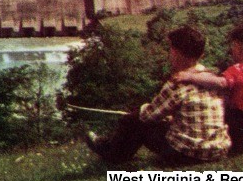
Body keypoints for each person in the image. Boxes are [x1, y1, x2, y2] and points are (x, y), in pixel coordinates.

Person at [86, 25, 231, 165]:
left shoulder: (177, 82)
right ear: (201, 54)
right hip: (216, 150)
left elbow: (148, 116)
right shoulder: (211, 79)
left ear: (175, 52)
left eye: (170, 49)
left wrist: (138, 111)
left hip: (187, 154)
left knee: (134, 121)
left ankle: (113, 154)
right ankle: (111, 145)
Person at [175, 22, 243, 152]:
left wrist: (190, 77)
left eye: (233, 46)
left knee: (223, 106)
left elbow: (220, 83)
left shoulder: (238, 70)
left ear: (238, 47)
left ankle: (237, 143)